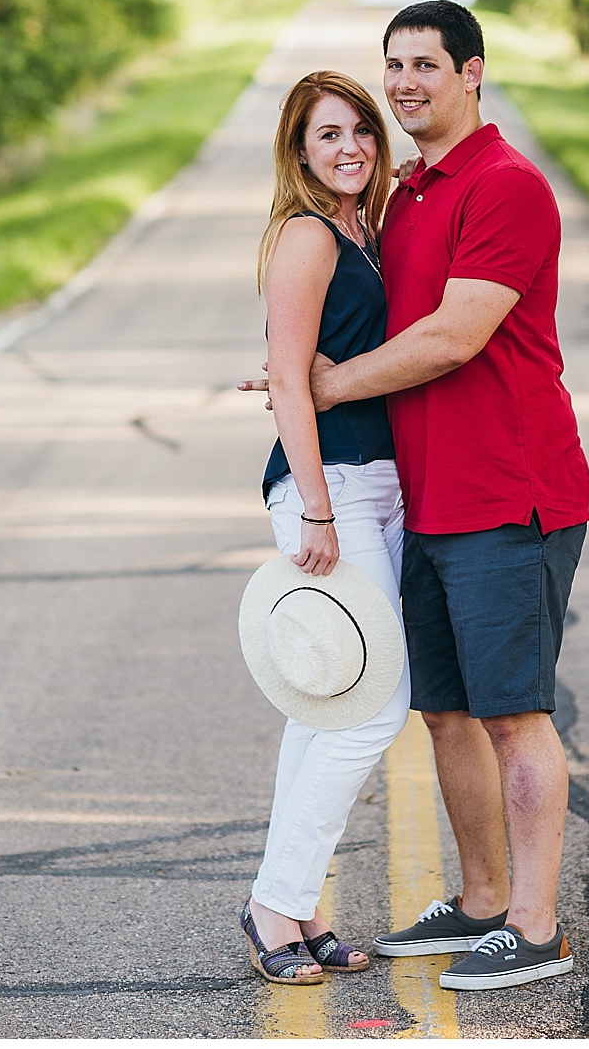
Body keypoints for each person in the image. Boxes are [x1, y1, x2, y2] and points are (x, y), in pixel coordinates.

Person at [305, 1, 589, 991]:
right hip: (426, 499)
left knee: (512, 715)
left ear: (472, 72)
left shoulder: (505, 187)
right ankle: (476, 900)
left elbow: (450, 337)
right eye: (392, 65)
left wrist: (329, 381)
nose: (403, 83)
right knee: (445, 712)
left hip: (507, 492)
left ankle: (535, 924)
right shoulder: (410, 192)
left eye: (424, 64)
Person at [239, 70, 409, 986]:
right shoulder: (307, 235)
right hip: (328, 484)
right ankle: (277, 899)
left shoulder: (365, 232)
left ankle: (298, 908)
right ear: (299, 152)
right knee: (374, 704)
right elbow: (291, 380)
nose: (349, 148)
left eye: (361, 133)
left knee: (327, 705)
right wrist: (314, 505)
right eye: (328, 135)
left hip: (380, 483)